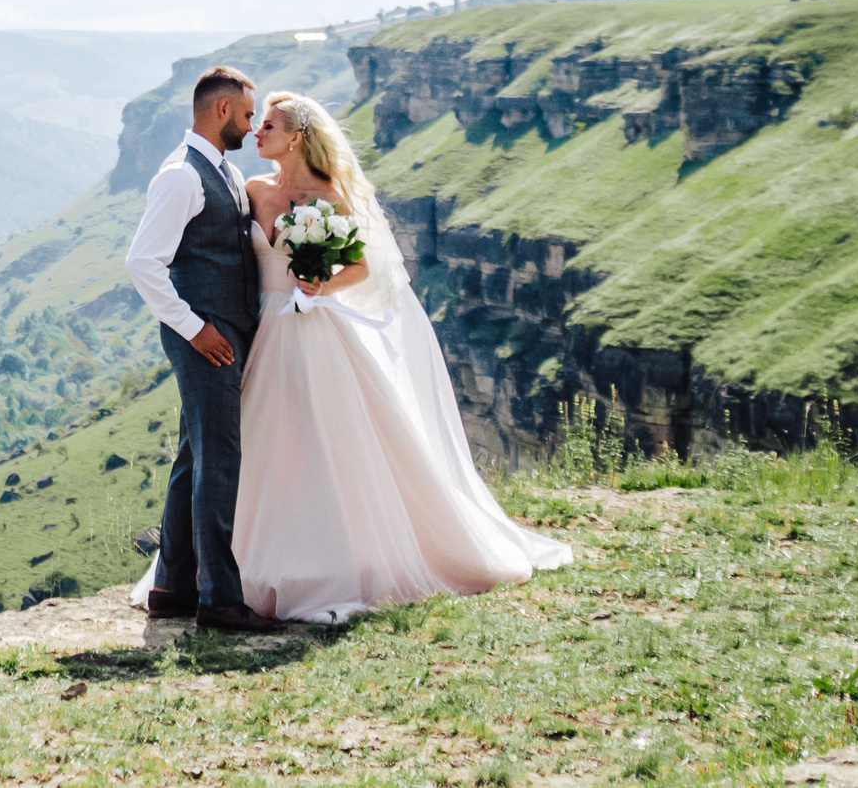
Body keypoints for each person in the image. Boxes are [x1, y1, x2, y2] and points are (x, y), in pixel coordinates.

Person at [228, 90, 570, 622]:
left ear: (296, 137)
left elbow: (361, 268)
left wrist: (322, 284)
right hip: (263, 328)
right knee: (265, 441)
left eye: (268, 125)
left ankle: (331, 560)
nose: (257, 132)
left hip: (312, 328)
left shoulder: (328, 195)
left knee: (324, 441)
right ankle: (247, 560)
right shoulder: (252, 190)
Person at [121, 64, 273, 631]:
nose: (252, 126)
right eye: (248, 114)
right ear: (222, 109)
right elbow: (142, 262)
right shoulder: (181, 176)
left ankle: (171, 588)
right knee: (218, 458)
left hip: (224, 330)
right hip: (205, 337)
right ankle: (220, 601)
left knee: (193, 455)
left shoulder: (226, 170)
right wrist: (194, 328)